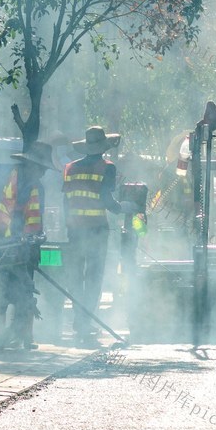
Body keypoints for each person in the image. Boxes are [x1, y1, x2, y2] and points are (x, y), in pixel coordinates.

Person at [0, 141, 57, 350]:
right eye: (41, 167)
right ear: (29, 163)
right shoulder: (0, 171)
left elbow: (36, 222)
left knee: (24, 290)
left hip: (21, 245)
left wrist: (36, 240)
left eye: (45, 169)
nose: (43, 173)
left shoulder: (38, 188)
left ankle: (23, 335)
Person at [63, 126, 137, 347]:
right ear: (103, 146)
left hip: (74, 231)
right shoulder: (107, 167)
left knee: (76, 277)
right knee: (93, 278)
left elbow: (66, 201)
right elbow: (106, 199)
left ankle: (79, 321)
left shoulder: (69, 167)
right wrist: (123, 207)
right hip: (96, 230)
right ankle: (86, 322)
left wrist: (68, 225)